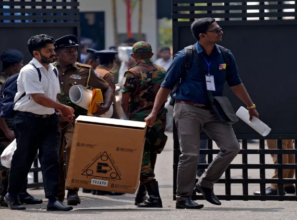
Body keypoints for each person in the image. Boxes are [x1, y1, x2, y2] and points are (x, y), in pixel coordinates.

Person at [145, 17, 259, 209]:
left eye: (220, 29)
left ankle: (205, 184)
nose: (221, 32)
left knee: (231, 147)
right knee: (189, 154)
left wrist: (250, 105)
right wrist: (154, 112)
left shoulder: (225, 55)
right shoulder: (185, 56)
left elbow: (235, 83)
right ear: (202, 35)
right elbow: (166, 86)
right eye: (216, 30)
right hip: (188, 108)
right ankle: (183, 197)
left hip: (214, 109)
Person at [4, 34, 74, 211]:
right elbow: (38, 98)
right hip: (27, 120)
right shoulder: (29, 71)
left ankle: (52, 200)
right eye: (48, 51)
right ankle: (12, 195)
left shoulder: (53, 69)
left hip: (49, 121)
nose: (53, 54)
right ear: (36, 53)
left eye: (53, 50)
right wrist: (63, 108)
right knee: (23, 160)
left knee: (51, 160)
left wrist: (59, 111)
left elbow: (52, 96)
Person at [54, 35, 113, 206]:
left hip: (76, 120)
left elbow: (106, 88)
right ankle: (56, 195)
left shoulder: (85, 71)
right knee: (55, 157)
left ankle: (72, 191)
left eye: (74, 51)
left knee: (74, 151)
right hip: (53, 120)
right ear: (57, 54)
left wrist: (106, 105)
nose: (73, 54)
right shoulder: (47, 70)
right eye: (68, 51)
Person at [0, 49, 41, 207]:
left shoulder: (17, 79)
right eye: (20, 63)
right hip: (7, 130)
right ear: (14, 65)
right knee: (8, 163)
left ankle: (21, 192)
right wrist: (6, 130)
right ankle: (5, 195)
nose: (22, 65)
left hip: (19, 128)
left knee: (22, 159)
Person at [121, 41, 167, 208]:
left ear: (133, 56)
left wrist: (130, 117)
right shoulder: (162, 72)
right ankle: (142, 194)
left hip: (139, 119)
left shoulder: (131, 73)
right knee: (151, 154)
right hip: (159, 119)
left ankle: (155, 198)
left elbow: (124, 101)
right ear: (152, 55)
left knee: (141, 156)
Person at [95, 50, 119, 119]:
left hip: (93, 108)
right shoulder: (108, 74)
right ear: (112, 62)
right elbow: (110, 96)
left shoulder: (94, 71)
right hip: (105, 112)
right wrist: (115, 116)